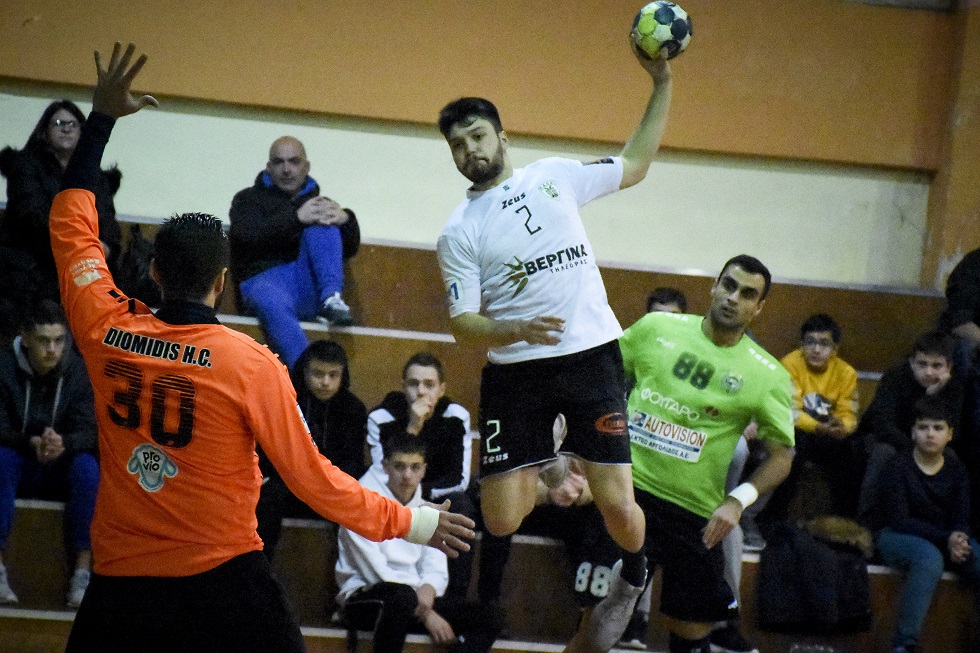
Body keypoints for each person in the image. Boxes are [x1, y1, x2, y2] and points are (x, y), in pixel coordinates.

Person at [49, 43, 473, 653]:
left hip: (121, 585)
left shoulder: (104, 331)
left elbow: (71, 226)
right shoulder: (249, 363)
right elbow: (316, 482)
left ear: (156, 276)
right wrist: (417, 520)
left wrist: (101, 120)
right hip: (225, 583)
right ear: (223, 284)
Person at [435, 42, 672, 652]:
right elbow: (464, 323)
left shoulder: (554, 176)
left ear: (502, 136)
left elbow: (636, 164)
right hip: (515, 372)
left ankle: (638, 571)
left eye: (478, 136)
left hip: (591, 358)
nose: (471, 151)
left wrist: (662, 83)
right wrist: (513, 330)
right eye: (459, 145)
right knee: (501, 519)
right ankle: (555, 459)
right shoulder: (459, 231)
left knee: (620, 511)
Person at [619, 254, 795, 653]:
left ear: (758, 307)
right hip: (627, 496)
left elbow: (783, 456)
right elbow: (603, 378)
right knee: (600, 625)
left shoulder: (767, 375)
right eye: (729, 286)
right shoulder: (656, 327)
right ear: (714, 286)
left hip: (695, 516)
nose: (734, 298)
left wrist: (737, 501)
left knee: (691, 634)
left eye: (747, 293)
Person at [336, 435, 502, 653]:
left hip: (416, 601)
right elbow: (375, 571)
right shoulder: (363, 507)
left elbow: (435, 566)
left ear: (424, 470)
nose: (407, 475)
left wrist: (429, 588)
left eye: (415, 468)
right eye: (399, 466)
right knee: (400, 598)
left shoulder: (428, 509)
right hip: (365, 597)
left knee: (489, 618)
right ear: (385, 467)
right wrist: (425, 613)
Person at [229, 134, 360, 368]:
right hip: (264, 283)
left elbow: (349, 248)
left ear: (306, 166)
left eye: (294, 161)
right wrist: (296, 219)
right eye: (279, 162)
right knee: (269, 298)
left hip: (307, 288)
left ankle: (332, 298)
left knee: (324, 221)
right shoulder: (247, 199)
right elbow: (245, 237)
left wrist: (346, 219)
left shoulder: (318, 202)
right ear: (269, 167)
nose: (287, 169)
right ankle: (304, 375)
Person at [0, 299, 98, 608]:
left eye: (59, 340)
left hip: (60, 462)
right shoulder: (3, 366)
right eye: (43, 340)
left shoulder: (78, 371)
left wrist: (64, 442)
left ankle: (82, 573)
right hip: (18, 456)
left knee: (88, 469)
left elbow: (92, 431)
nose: (52, 349)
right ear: (26, 338)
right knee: (0, 460)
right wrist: (29, 441)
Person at [865, 398, 980, 653]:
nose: (930, 434)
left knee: (977, 555)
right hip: (896, 536)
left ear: (950, 434)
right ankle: (905, 644)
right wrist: (947, 538)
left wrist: (959, 536)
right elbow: (900, 520)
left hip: (943, 538)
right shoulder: (897, 466)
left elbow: (962, 515)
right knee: (928, 558)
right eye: (923, 427)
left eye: (938, 428)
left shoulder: (957, 469)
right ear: (913, 432)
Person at [367, 352, 475, 599]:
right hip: (395, 496)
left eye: (429, 385)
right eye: (413, 384)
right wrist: (413, 427)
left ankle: (453, 600)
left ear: (441, 389)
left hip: (438, 495)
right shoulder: (381, 418)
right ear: (403, 387)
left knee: (461, 506)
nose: (421, 392)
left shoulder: (455, 416)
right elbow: (381, 477)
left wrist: (421, 498)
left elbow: (459, 479)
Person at [0, 99, 123, 311]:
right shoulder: (26, 167)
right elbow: (30, 216)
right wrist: (76, 247)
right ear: (45, 131)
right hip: (33, 265)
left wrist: (105, 246)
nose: (66, 129)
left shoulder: (95, 176)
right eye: (58, 123)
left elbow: (107, 221)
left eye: (72, 124)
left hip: (84, 267)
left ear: (81, 132)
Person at [255, 339, 368, 560]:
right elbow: (268, 454)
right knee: (268, 496)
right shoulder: (286, 401)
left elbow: (352, 464)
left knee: (353, 502)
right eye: (318, 373)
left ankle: (352, 582)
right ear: (304, 370)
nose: (325, 382)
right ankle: (258, 572)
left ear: (343, 375)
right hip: (288, 488)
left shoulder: (353, 409)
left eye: (333, 375)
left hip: (330, 492)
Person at [856, 331, 965, 521]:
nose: (929, 372)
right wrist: (916, 448)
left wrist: (935, 397)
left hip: (927, 442)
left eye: (936, 366)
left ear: (949, 367)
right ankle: (867, 522)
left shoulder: (954, 385)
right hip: (885, 439)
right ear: (912, 363)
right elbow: (883, 424)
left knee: (951, 457)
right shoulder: (896, 375)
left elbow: (953, 431)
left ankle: (947, 524)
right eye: (922, 364)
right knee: (884, 452)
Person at [767, 313, 860, 519]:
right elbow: (789, 411)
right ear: (801, 344)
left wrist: (843, 426)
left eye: (824, 344)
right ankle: (773, 519)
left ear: (835, 349)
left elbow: (849, 412)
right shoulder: (790, 364)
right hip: (799, 431)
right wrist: (818, 427)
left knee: (852, 450)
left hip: (828, 434)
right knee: (794, 446)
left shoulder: (846, 373)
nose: (816, 349)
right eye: (810, 342)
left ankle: (845, 520)